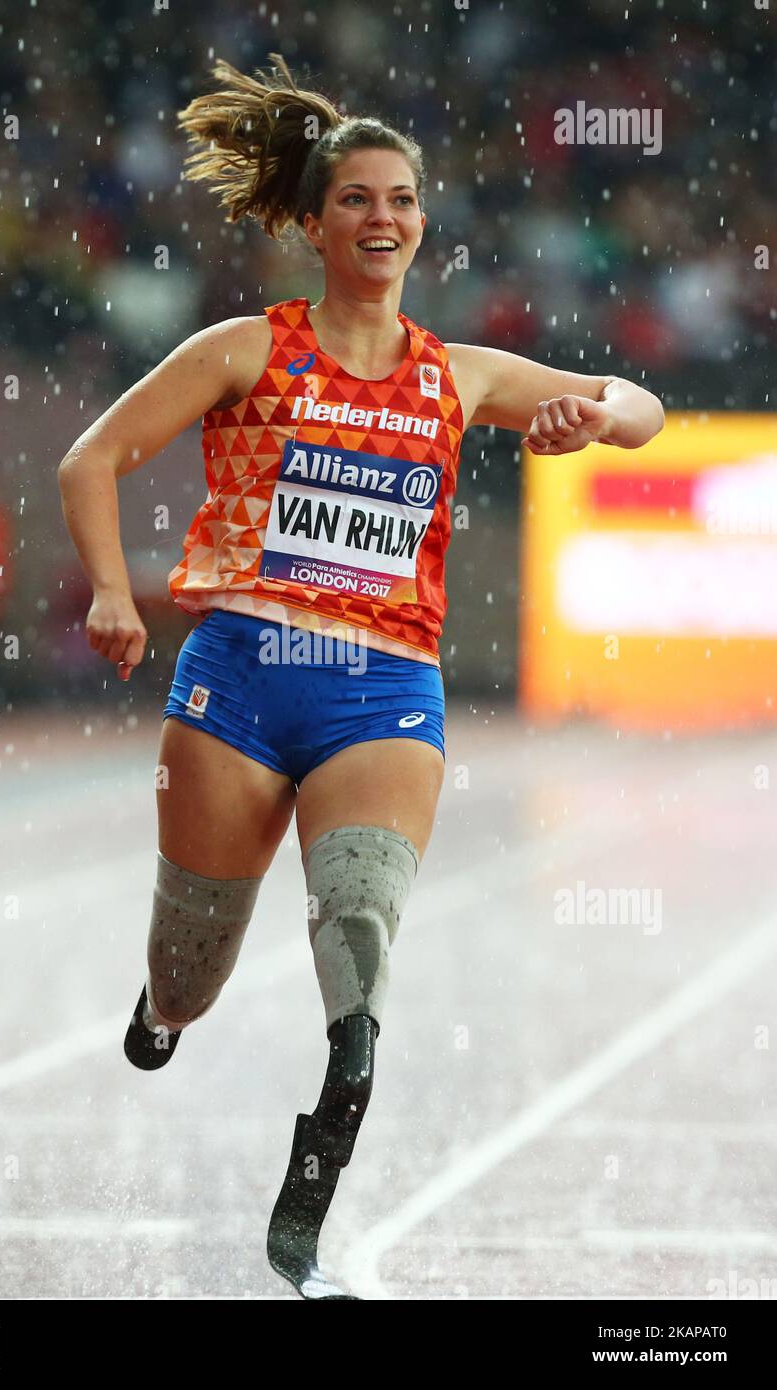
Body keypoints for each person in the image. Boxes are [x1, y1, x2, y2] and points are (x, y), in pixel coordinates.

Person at [57, 53, 664, 1300]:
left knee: (360, 941)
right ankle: (165, 1006)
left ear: (422, 222)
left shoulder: (463, 374)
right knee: (192, 970)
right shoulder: (246, 348)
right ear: (316, 222)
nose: (380, 219)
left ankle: (310, 1200)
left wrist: (591, 417)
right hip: (239, 674)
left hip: (382, 691)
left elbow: (642, 407)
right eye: (355, 201)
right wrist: (115, 592)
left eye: (400, 200)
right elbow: (90, 456)